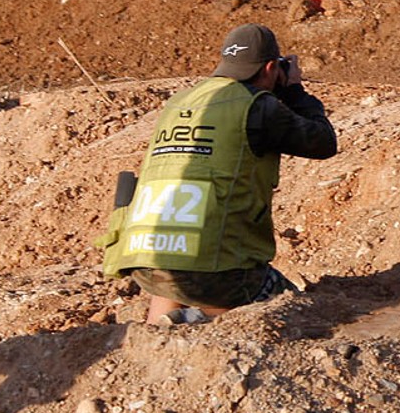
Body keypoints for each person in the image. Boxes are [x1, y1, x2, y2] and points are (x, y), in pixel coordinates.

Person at [100, 23, 336, 324]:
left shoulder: (179, 102)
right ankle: (199, 318)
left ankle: (157, 329)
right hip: (222, 276)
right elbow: (323, 142)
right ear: (269, 67)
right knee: (294, 310)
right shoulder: (256, 107)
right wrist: (294, 90)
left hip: (144, 264)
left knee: (178, 270)